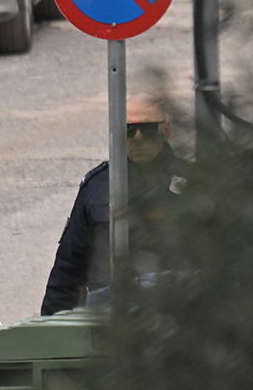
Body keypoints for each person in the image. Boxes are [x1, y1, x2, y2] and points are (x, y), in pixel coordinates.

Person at [40, 94, 188, 315]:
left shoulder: (194, 183)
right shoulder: (98, 187)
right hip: (109, 326)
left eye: (147, 129)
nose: (137, 138)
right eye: (128, 129)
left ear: (165, 130)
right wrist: (49, 335)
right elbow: (68, 269)